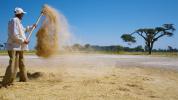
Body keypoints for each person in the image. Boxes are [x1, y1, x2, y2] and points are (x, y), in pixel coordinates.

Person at [1, 7, 36, 87]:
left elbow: (23, 31)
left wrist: (31, 27)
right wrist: (23, 41)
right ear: (19, 14)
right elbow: (14, 35)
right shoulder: (14, 21)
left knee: (21, 62)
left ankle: (23, 78)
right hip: (13, 46)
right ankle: (7, 82)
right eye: (22, 14)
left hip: (19, 46)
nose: (23, 15)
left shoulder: (18, 22)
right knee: (13, 64)